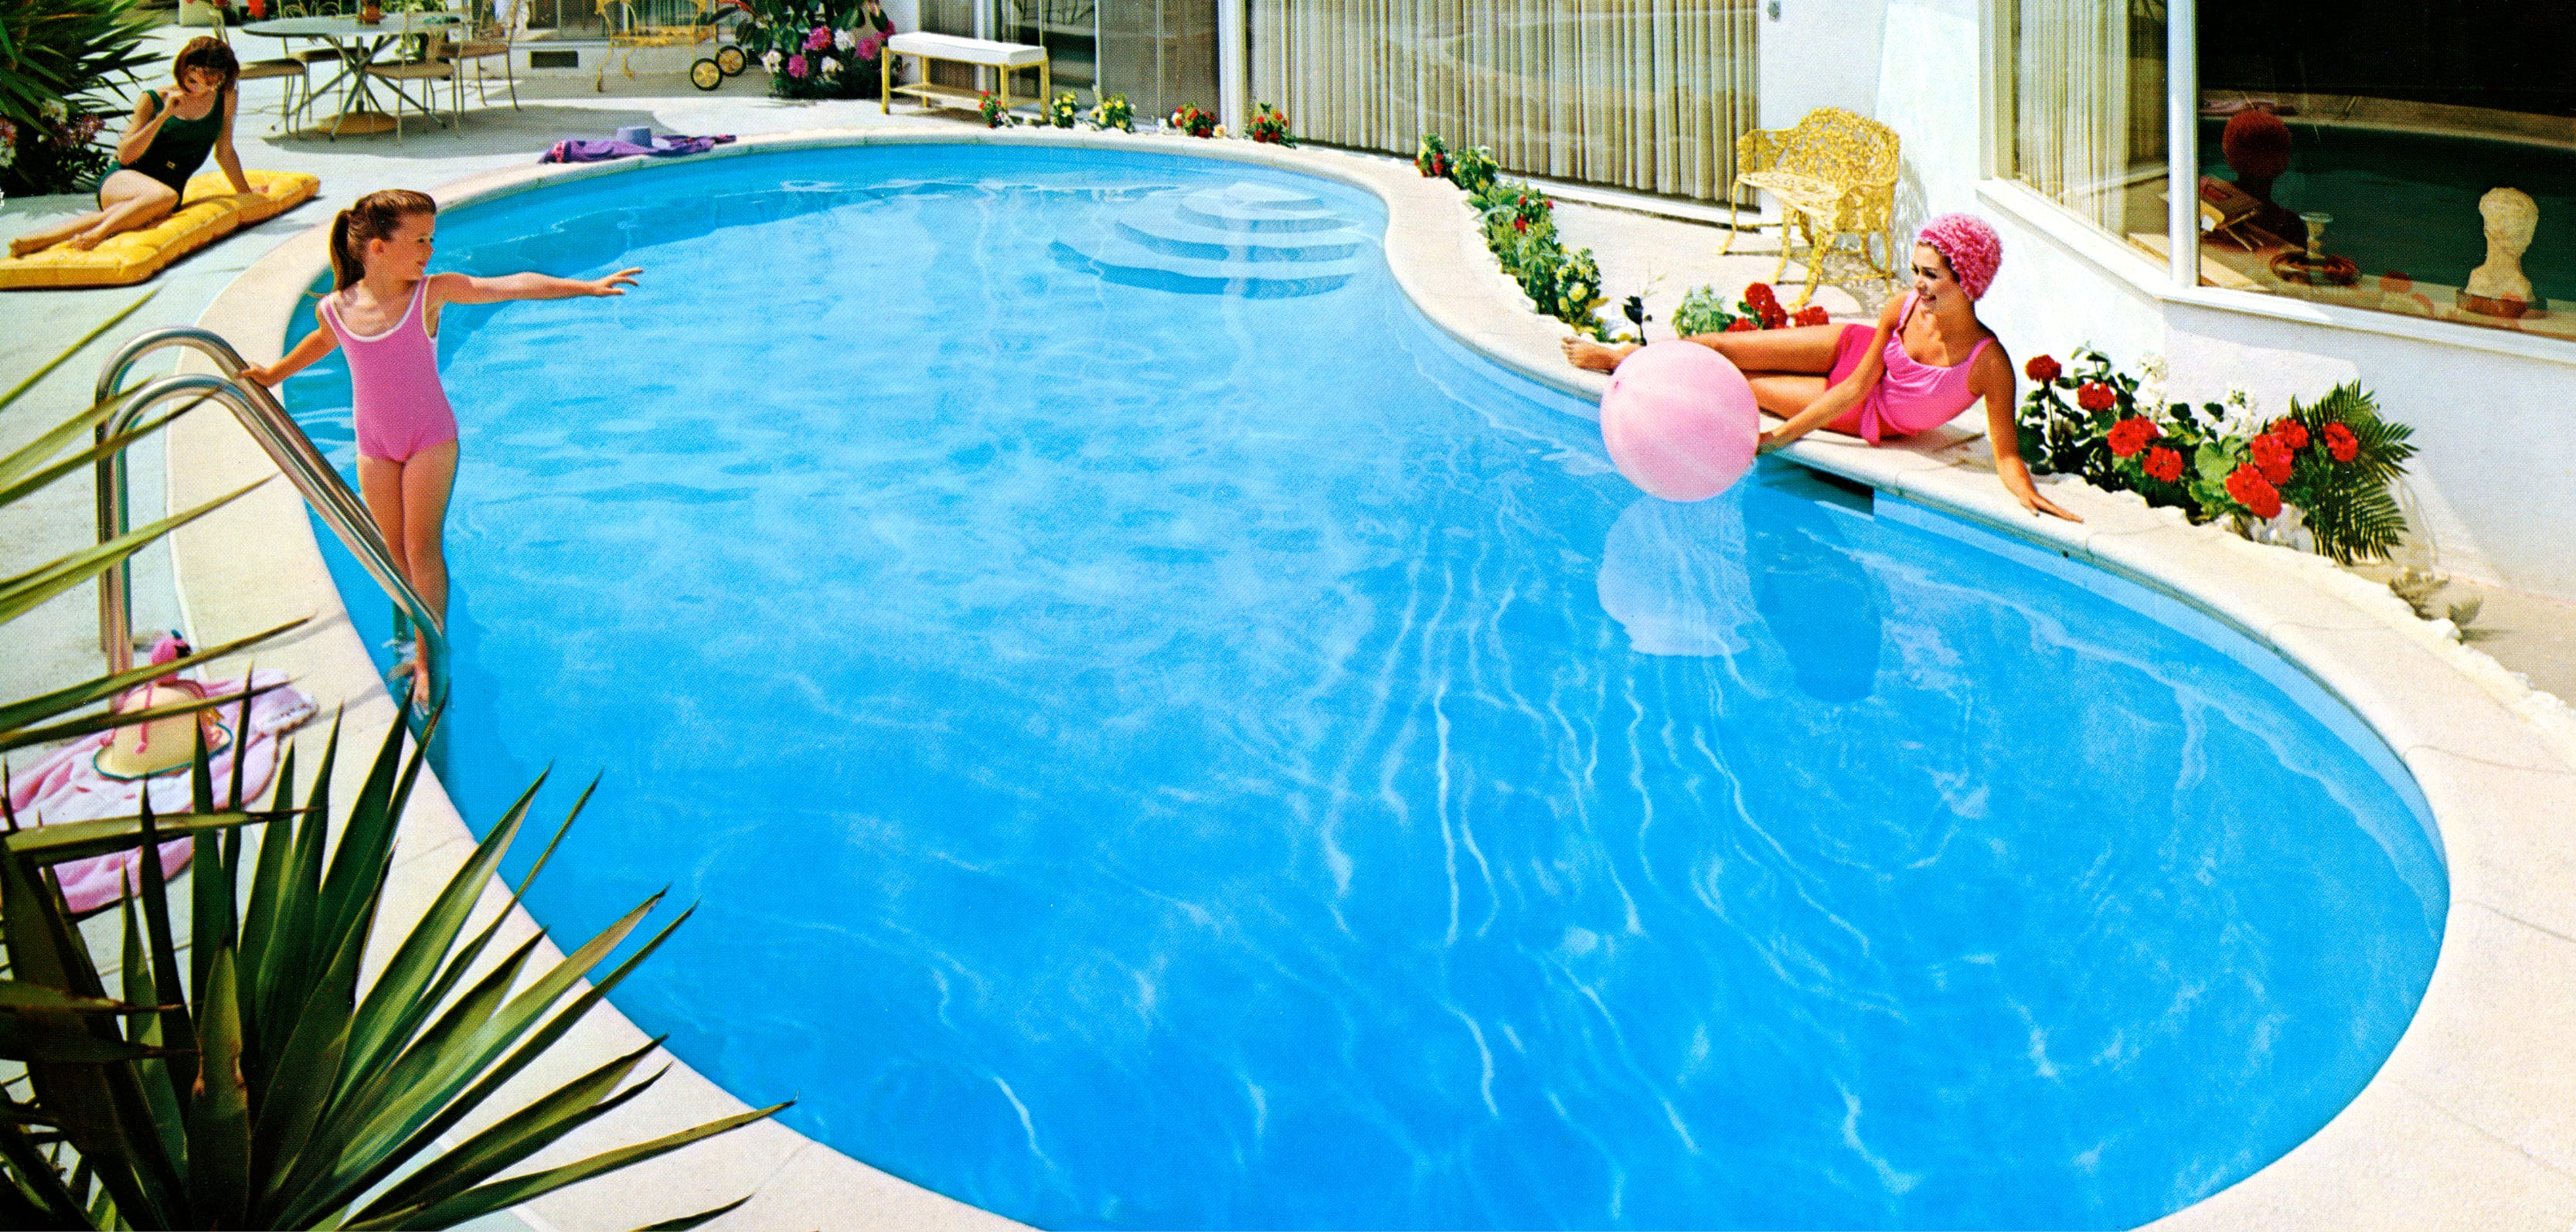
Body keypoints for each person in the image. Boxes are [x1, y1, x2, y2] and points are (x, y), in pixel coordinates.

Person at [240, 189, 643, 702]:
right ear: (378, 248)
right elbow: (321, 341)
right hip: (375, 445)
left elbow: (509, 286)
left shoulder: (431, 292)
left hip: (431, 439)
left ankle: (432, 657)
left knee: (421, 546)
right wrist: (272, 373)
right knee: (393, 551)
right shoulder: (334, 308)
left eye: (432, 238)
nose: (429, 250)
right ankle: (412, 629)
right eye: (419, 240)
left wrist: (583, 287)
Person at [1564, 213, 2079, 523]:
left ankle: (1636, 369)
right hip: (1848, 352)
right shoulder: (1900, 307)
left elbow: (2005, 453)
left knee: (1737, 385)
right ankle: (1621, 358)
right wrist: (1785, 435)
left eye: (1931, 276)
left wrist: (2027, 493)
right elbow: (1858, 376)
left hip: (1867, 414)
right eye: (1915, 272)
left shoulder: (1988, 363)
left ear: (1968, 281)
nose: (1917, 285)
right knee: (1720, 346)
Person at [9, 38, 254, 258]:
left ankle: (34, 241)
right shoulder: (154, 99)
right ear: (182, 69)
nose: (198, 90)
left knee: (140, 205)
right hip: (124, 179)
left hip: (164, 193)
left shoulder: (225, 97)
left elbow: (224, 151)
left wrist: (248, 195)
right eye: (191, 80)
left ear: (222, 79)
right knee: (162, 197)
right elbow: (125, 155)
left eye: (209, 83)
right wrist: (163, 116)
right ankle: (99, 234)